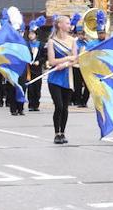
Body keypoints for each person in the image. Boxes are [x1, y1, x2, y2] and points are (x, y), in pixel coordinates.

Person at [47, 15, 78, 144]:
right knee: (58, 106)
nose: (69, 25)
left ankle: (63, 133)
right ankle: (56, 133)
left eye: (69, 23)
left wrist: (65, 64)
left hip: (67, 76)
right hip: (55, 78)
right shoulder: (52, 41)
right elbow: (52, 61)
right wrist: (66, 59)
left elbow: (75, 59)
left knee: (65, 107)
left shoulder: (72, 41)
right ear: (59, 25)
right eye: (66, 23)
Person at [25, 18, 46, 112]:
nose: (30, 35)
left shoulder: (41, 44)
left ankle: (36, 104)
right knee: (30, 87)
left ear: (36, 35)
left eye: (32, 34)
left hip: (38, 69)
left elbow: (45, 57)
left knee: (37, 87)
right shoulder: (26, 44)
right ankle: (30, 104)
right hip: (29, 68)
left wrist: (39, 62)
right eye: (29, 34)